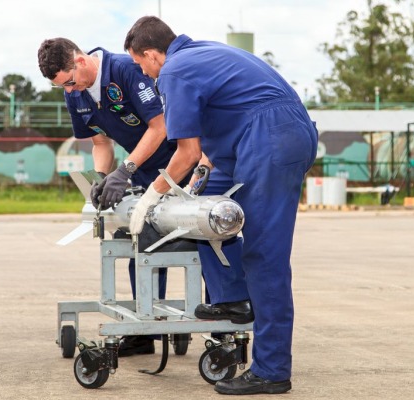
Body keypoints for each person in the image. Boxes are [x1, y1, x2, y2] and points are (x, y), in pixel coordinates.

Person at [124, 16, 318, 396]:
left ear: (151, 54)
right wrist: (191, 189)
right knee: (202, 215)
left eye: (140, 64)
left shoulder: (175, 70)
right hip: (250, 139)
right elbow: (206, 150)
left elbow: (186, 152)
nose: (142, 73)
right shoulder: (202, 54)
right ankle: (234, 300)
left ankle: (272, 369)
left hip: (271, 139)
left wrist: (150, 197)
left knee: (264, 255)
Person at [37, 38, 249, 357]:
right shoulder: (77, 96)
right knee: (141, 238)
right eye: (62, 88)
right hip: (140, 167)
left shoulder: (124, 70)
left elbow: (160, 126)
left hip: (184, 159)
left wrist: (124, 171)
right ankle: (144, 329)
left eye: (68, 82)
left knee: (207, 230)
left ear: (80, 61)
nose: (69, 90)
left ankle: (225, 322)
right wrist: (102, 180)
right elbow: (100, 144)